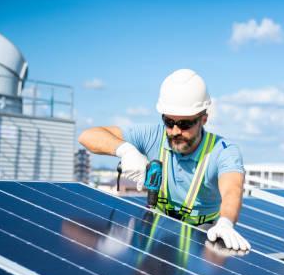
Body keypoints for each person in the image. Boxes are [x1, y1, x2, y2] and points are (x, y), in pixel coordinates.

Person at [78, 69, 251, 251]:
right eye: (169, 122)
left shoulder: (223, 151)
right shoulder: (152, 135)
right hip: (157, 228)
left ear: (204, 119)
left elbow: (233, 189)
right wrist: (125, 150)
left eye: (185, 124)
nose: (175, 131)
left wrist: (225, 223)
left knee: (214, 263)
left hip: (203, 235)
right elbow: (87, 136)